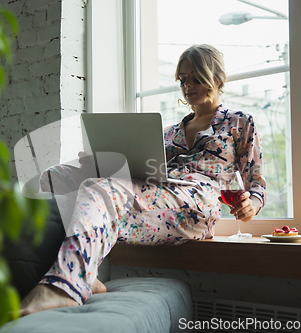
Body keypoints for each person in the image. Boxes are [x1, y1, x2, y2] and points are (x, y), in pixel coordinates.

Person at [18, 44, 267, 316]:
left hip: (198, 206)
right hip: (161, 198)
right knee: (58, 177)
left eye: (196, 78)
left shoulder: (239, 122)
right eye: (183, 80)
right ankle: (84, 275)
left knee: (96, 187)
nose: (188, 86)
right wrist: (99, 164)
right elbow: (149, 172)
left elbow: (257, 183)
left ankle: (62, 287)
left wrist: (251, 204)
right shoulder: (169, 131)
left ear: (217, 78)